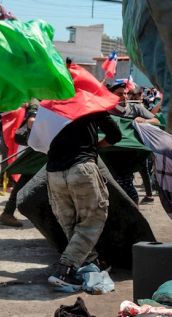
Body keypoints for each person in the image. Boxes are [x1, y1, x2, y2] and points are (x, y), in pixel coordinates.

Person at [45, 109, 122, 289]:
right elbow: (115, 134)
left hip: (54, 173)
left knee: (70, 224)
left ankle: (89, 264)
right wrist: (94, 147)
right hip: (82, 169)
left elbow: (36, 136)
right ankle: (65, 270)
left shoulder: (50, 103)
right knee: (91, 222)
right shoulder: (90, 103)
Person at [0, 99, 40, 227]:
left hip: (40, 147)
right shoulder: (38, 99)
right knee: (27, 178)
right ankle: (8, 212)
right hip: (39, 148)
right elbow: (31, 122)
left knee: (29, 179)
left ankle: (8, 212)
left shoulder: (44, 98)